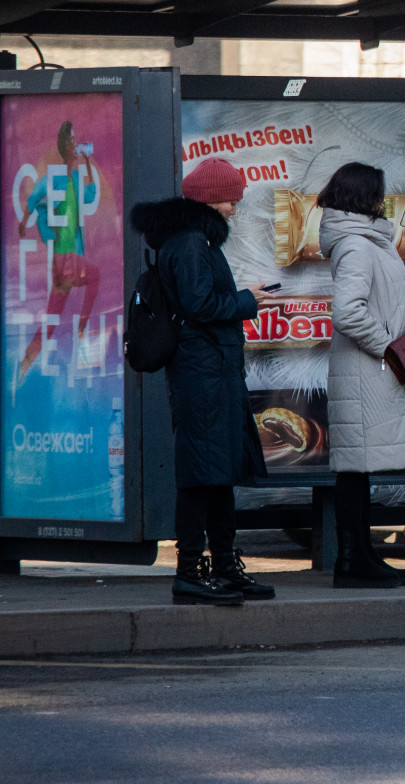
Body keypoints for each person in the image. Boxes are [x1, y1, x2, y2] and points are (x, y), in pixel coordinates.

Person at [129, 157, 278, 606]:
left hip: (210, 371)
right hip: (203, 373)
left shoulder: (189, 240)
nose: (235, 206)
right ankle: (190, 571)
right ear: (213, 198)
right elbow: (201, 305)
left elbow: (199, 300)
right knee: (201, 476)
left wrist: (242, 296)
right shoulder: (192, 242)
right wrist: (248, 300)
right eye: (232, 198)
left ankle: (226, 567)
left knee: (217, 474)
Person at [317, 162, 405, 590]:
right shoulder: (357, 245)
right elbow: (348, 312)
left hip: (369, 370)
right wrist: (387, 345)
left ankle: (361, 555)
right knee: (355, 469)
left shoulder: (368, 242)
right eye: (379, 193)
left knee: (360, 469)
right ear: (363, 196)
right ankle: (351, 561)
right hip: (366, 370)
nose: (383, 200)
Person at [16, 121, 101, 383]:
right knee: (96, 276)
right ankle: (82, 327)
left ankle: (24, 365)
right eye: (73, 140)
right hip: (66, 258)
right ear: (66, 144)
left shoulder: (74, 176)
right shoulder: (56, 176)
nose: (77, 143)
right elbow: (34, 196)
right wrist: (24, 220)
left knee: (51, 321)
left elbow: (90, 195)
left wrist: (87, 163)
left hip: (64, 261)